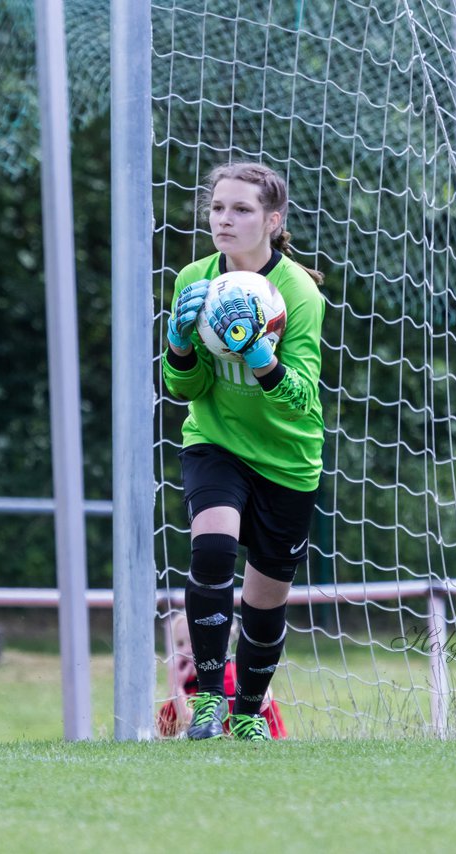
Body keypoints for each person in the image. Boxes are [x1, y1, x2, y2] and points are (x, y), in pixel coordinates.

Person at [163, 161, 324, 742]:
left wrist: (261, 357)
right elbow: (185, 389)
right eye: (217, 208)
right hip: (216, 443)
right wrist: (180, 345)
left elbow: (301, 401)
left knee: (263, 601)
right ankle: (207, 702)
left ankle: (250, 714)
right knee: (211, 550)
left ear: (272, 220)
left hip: (287, 461)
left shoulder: (299, 293)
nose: (225, 220)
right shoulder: (194, 280)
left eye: (242, 210)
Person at [157, 613, 287, 739]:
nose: (185, 650)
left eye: (192, 641)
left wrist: (176, 688)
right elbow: (163, 730)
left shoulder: (231, 677)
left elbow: (201, 728)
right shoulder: (188, 681)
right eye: (180, 644)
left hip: (264, 742)